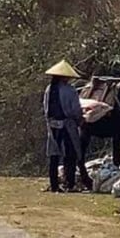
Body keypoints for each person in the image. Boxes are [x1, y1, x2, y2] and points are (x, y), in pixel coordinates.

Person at [43, 60, 91, 192]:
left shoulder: (49, 89)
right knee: (70, 154)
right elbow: (75, 109)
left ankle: (54, 185)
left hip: (52, 125)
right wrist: (80, 119)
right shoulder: (70, 90)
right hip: (67, 125)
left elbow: (46, 108)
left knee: (54, 155)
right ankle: (70, 184)